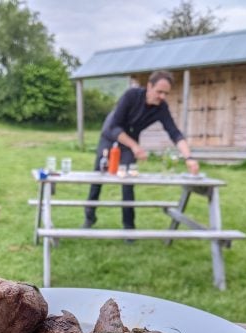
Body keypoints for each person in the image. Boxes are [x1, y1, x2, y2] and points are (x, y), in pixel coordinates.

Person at [83, 71, 200, 231]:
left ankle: (129, 227)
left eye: (166, 93)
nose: (162, 96)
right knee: (98, 177)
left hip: (130, 141)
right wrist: (135, 147)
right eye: (159, 91)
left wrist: (189, 158)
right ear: (149, 87)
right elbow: (114, 126)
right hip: (110, 136)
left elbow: (174, 133)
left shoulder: (161, 108)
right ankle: (89, 218)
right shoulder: (131, 95)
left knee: (128, 182)